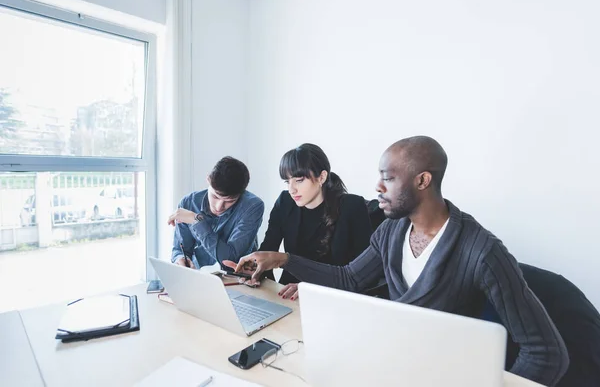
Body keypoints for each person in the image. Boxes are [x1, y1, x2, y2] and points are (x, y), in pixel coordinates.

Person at [224, 136, 569, 386]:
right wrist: (283, 258)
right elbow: (349, 279)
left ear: (422, 181)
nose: (378, 187)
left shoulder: (482, 252)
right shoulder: (392, 232)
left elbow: (546, 352)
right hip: (392, 362)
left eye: (388, 178)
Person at [259, 143, 372, 300]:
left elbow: (360, 274)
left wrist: (311, 290)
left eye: (299, 180)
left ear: (322, 177)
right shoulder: (285, 202)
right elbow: (268, 249)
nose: (292, 189)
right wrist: (254, 272)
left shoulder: (352, 207)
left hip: (333, 297)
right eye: (287, 181)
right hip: (287, 295)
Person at [168, 156, 264, 269]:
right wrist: (180, 258)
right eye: (215, 196)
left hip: (237, 280)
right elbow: (180, 249)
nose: (219, 207)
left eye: (230, 201)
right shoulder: (188, 203)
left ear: (242, 194)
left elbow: (230, 260)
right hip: (199, 276)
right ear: (208, 179)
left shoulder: (252, 206)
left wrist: (197, 220)